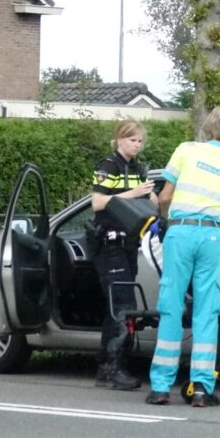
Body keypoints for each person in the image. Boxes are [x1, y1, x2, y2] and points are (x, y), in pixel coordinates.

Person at [146, 107, 220, 407]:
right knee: (207, 309)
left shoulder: (186, 151)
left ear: (206, 129)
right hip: (213, 235)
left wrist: (165, 220)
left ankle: (161, 387)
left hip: (182, 232)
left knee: (171, 305)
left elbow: (165, 196)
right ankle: (202, 388)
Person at [90, 119, 157, 391]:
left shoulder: (137, 168)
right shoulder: (108, 165)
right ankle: (110, 368)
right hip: (109, 243)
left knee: (123, 306)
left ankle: (111, 367)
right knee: (120, 305)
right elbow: (98, 202)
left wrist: (151, 198)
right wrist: (133, 193)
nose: (136, 145)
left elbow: (141, 203)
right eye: (132, 140)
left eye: (140, 141)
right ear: (119, 140)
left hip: (129, 243)